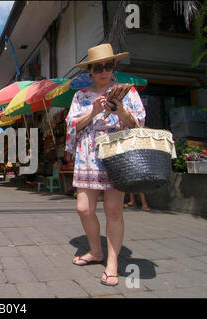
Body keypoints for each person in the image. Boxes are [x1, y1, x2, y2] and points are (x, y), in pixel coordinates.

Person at [65, 43, 146, 286]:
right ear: (90, 71)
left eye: (108, 66)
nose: (103, 70)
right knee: (84, 208)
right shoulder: (80, 96)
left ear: (114, 68)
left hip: (115, 153)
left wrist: (120, 111)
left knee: (113, 210)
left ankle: (112, 263)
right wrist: (92, 111)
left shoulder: (127, 92)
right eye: (97, 67)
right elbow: (72, 126)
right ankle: (95, 250)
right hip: (88, 154)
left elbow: (138, 124)